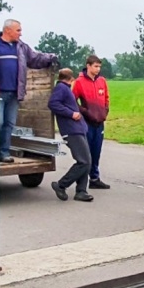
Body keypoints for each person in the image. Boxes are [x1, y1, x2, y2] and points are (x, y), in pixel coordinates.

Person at [0, 19, 58, 164]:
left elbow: (36, 58)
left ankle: (4, 153)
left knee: (9, 124)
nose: (21, 33)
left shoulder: (21, 47)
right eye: (18, 30)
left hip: (15, 93)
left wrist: (51, 58)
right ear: (7, 30)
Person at [48, 68, 93, 203]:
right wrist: (71, 113)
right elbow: (53, 104)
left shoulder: (64, 88)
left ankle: (81, 191)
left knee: (86, 161)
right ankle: (61, 184)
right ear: (71, 79)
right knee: (84, 161)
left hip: (78, 128)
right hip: (71, 130)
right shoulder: (61, 88)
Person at [72, 54, 111, 189]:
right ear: (88, 66)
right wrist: (84, 111)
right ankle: (81, 182)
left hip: (99, 122)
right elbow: (73, 101)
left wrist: (105, 110)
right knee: (86, 152)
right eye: (95, 66)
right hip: (87, 122)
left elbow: (106, 98)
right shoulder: (79, 82)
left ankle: (94, 178)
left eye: (99, 66)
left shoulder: (102, 81)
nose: (98, 69)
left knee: (96, 151)